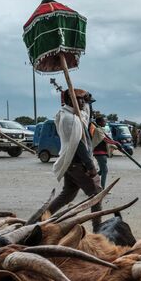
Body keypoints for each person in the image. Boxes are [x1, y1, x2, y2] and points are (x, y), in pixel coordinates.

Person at [46, 89, 104, 231]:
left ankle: (41, 219)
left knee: (67, 195)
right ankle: (98, 229)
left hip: (72, 163)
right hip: (77, 163)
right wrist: (90, 165)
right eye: (80, 99)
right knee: (96, 195)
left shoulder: (74, 115)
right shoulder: (68, 118)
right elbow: (76, 143)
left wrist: (88, 101)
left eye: (84, 100)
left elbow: (86, 115)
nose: (83, 102)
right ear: (71, 100)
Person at [90, 116, 120, 189]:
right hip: (99, 153)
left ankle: (90, 181)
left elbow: (106, 140)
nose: (105, 122)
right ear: (99, 122)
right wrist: (116, 143)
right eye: (103, 121)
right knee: (105, 171)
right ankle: (102, 188)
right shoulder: (98, 130)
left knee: (102, 170)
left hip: (101, 153)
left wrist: (115, 145)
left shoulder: (100, 130)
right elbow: (105, 140)